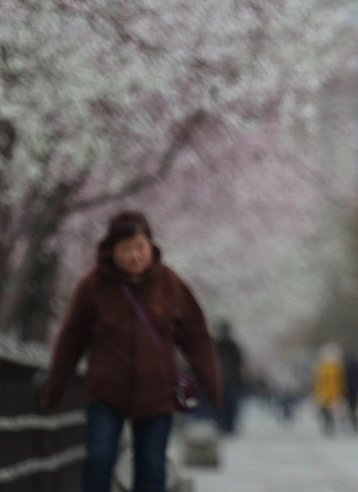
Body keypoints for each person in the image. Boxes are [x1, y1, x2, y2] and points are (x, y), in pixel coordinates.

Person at [39, 210, 222, 492]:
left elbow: (195, 335)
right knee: (99, 461)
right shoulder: (93, 287)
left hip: (157, 395)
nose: (135, 256)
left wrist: (211, 384)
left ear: (151, 245)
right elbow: (71, 339)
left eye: (140, 247)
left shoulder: (169, 283)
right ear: (111, 251)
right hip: (106, 393)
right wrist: (54, 387)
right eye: (126, 249)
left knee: (151, 468)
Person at [213, 319, 245, 434]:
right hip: (229, 382)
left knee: (224, 405)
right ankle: (227, 426)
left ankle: (224, 425)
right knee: (229, 405)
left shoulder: (218, 345)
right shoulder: (232, 346)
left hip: (224, 381)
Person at [312, 342, 347, 435]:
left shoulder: (325, 367)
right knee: (328, 412)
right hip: (330, 393)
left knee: (330, 412)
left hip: (330, 393)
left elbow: (318, 381)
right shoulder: (330, 367)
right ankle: (329, 426)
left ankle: (329, 426)